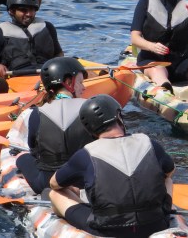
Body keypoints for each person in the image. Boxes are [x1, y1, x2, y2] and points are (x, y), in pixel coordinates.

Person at [49, 95, 175, 238]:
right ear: (118, 116)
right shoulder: (149, 143)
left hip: (106, 230)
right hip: (156, 224)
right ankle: (167, 211)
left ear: (89, 129)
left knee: (55, 193)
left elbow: (54, 183)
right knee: (167, 179)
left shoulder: (85, 154)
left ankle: (63, 221)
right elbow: (170, 171)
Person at [15, 57, 93, 195]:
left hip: (47, 183)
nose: (84, 87)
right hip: (83, 180)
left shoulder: (36, 113)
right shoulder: (90, 108)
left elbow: (33, 146)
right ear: (68, 82)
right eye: (80, 82)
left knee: (22, 157)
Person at [0, 0, 63, 78]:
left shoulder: (48, 27)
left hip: (48, 75)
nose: (29, 14)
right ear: (11, 11)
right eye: (23, 10)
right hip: (18, 78)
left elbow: (59, 54)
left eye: (32, 9)